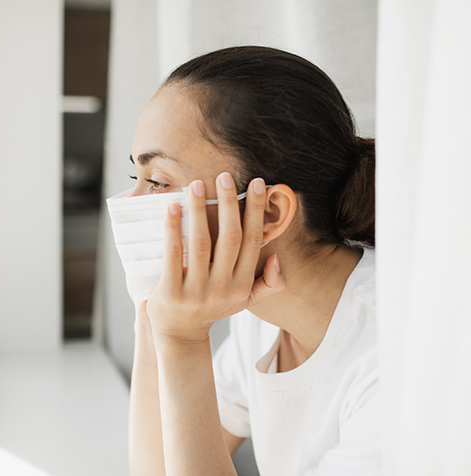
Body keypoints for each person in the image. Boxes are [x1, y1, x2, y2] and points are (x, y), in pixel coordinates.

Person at [124, 46, 379, 475]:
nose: (128, 205)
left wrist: (183, 343)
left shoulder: (393, 364)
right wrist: (152, 319)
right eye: (137, 177)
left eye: (158, 181)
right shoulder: (261, 321)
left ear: (270, 213)